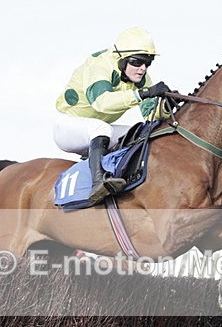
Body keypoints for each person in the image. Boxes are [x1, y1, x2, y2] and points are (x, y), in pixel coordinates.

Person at [54, 26, 174, 204]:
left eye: (147, 63)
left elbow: (150, 116)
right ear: (121, 59)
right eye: (137, 62)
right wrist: (142, 94)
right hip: (68, 126)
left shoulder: (141, 77)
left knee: (141, 132)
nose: (142, 69)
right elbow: (101, 103)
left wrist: (165, 106)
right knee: (100, 127)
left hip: (98, 131)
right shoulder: (99, 64)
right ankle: (98, 183)